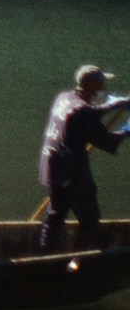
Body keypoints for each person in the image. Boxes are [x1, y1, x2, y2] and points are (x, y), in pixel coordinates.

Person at [38, 63, 130, 252]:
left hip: (52, 167)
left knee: (56, 214)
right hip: (71, 174)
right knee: (89, 219)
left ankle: (44, 257)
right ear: (92, 86)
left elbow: (87, 112)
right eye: (101, 84)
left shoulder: (64, 98)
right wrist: (126, 130)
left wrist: (116, 104)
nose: (104, 89)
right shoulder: (84, 113)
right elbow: (108, 142)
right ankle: (79, 261)